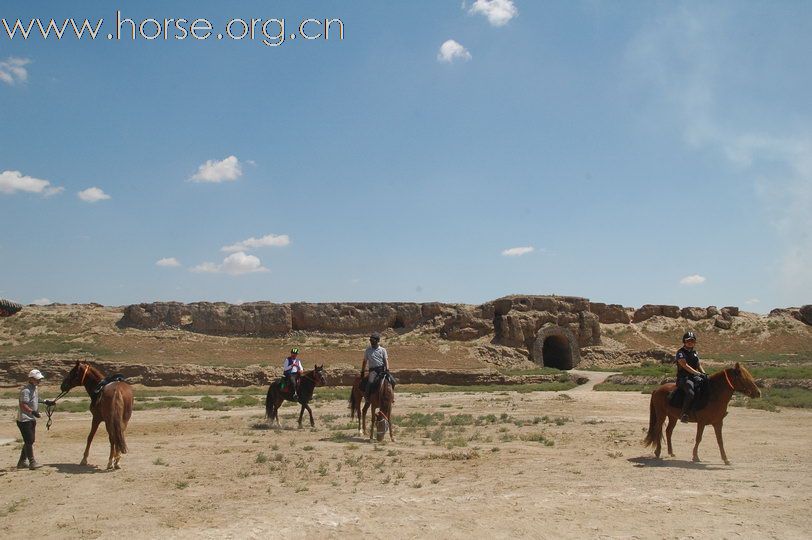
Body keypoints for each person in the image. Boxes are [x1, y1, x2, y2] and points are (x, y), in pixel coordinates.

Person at [16, 369, 55, 470]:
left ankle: (21, 462)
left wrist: (46, 402)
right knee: (29, 441)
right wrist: (32, 412)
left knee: (30, 440)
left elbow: (36, 399)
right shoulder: (26, 390)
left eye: (40, 379)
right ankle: (32, 462)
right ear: (31, 379)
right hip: (24, 420)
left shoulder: (34, 388)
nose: (39, 381)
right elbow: (23, 404)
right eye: (37, 379)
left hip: (30, 418)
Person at [675, 331, 707, 422]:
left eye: (692, 341)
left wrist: (704, 374)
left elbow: (698, 364)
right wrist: (697, 374)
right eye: (688, 340)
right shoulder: (680, 352)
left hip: (694, 376)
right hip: (683, 378)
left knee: (707, 385)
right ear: (684, 342)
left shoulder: (695, 352)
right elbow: (685, 365)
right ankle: (683, 414)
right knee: (690, 393)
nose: (690, 342)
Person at [360, 332, 389, 400]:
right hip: (373, 371)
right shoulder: (368, 350)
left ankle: (391, 397)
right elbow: (365, 361)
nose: (371, 342)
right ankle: (367, 397)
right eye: (370, 340)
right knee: (370, 382)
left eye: (373, 340)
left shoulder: (382, 350)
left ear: (377, 341)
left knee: (392, 380)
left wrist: (387, 369)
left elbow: (385, 360)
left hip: (382, 370)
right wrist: (362, 371)